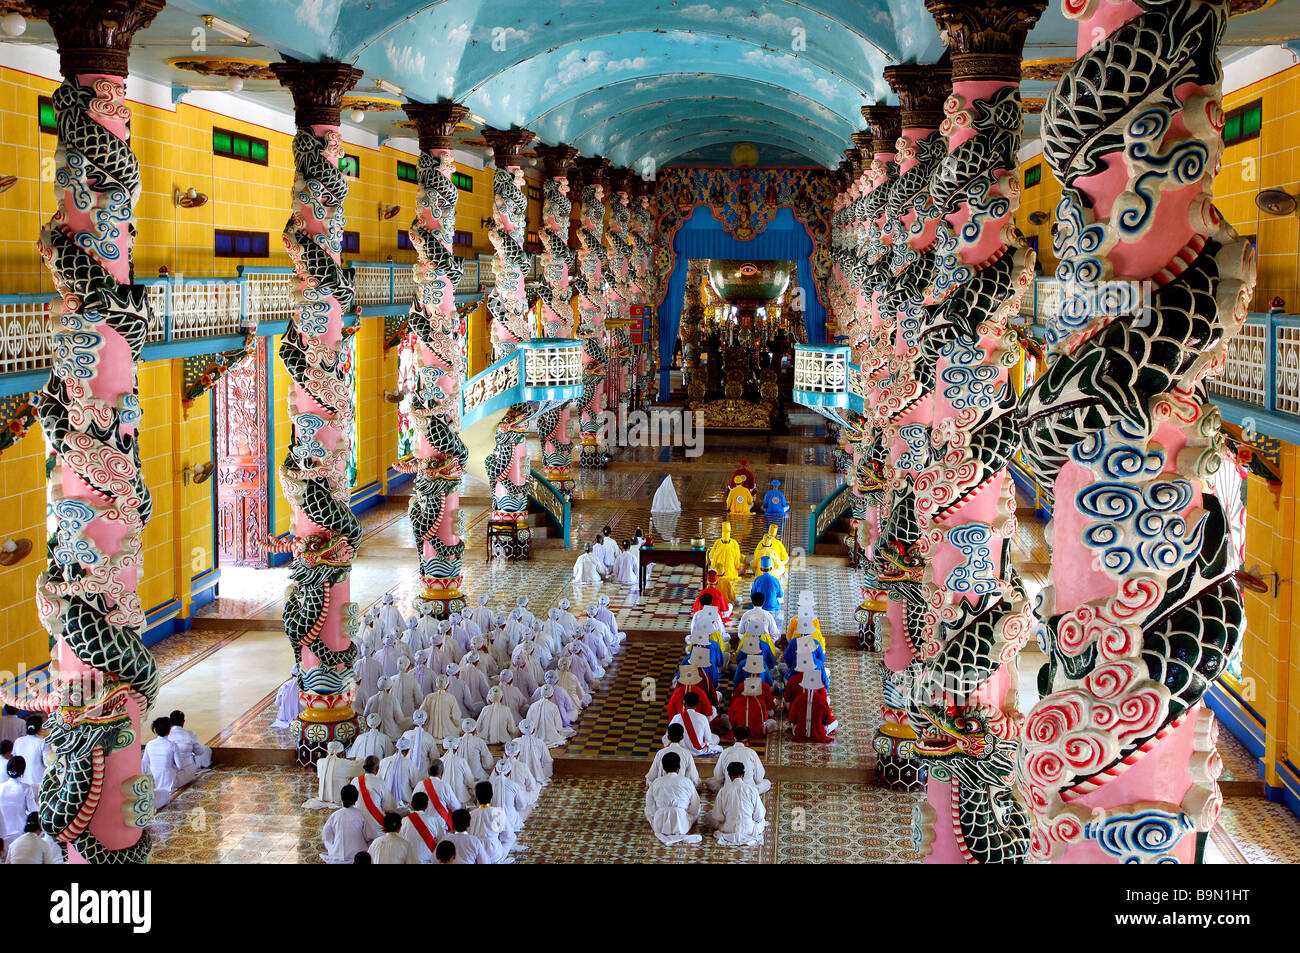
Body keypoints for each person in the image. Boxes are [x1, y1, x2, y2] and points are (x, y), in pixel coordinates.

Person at [644, 752, 702, 845]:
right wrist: (690, 817)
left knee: (646, 810)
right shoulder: (687, 782)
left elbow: (649, 805)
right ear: (679, 767)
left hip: (660, 824)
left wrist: (655, 817)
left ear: (663, 768)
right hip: (682, 824)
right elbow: (695, 804)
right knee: (698, 806)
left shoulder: (656, 782)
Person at [141, 716, 197, 809]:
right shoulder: (172, 745)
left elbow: (145, 763)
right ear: (169, 730)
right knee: (192, 767)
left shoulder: (150, 744)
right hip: (170, 782)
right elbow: (180, 766)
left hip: (153, 780)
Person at [707, 761, 766, 847]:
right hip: (749, 830)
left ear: (729, 776)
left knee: (709, 816)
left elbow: (718, 817)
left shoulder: (723, 791)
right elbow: (759, 815)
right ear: (743, 774)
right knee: (762, 821)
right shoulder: (752, 790)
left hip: (727, 829)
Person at [320, 784, 379, 863]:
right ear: (356, 799)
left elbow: (326, 837)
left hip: (337, 858)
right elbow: (370, 836)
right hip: (358, 859)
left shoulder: (335, 815)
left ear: (341, 798)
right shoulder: (362, 815)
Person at [707, 726, 770, 794]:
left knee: (710, 782)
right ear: (748, 739)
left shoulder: (725, 752)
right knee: (767, 783)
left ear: (734, 738)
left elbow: (718, 777)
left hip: (729, 791)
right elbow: (759, 778)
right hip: (749, 791)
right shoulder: (752, 753)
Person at [303, 740, 363, 810]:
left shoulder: (320, 762)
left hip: (322, 797)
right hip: (339, 798)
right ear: (341, 753)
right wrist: (354, 759)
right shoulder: (343, 763)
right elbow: (361, 766)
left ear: (327, 751)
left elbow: (319, 777)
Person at [468, 781, 514, 863]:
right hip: (494, 853)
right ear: (492, 795)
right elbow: (508, 835)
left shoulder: (471, 814)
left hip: (476, 854)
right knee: (512, 838)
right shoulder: (498, 812)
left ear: (477, 797)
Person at [646, 723, 701, 788]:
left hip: (661, 789)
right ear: (682, 737)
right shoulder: (687, 753)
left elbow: (651, 777)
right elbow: (694, 779)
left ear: (668, 737)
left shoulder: (660, 753)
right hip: (681, 790)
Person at [399, 791, 445, 863]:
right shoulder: (433, 821)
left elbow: (400, 842)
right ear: (427, 805)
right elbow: (442, 841)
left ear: (412, 804)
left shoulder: (403, 821)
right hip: (429, 861)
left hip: (409, 861)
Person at [354, 756, 398, 827]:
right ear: (377, 769)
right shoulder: (380, 783)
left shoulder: (355, 780)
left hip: (357, 823)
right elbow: (390, 807)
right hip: (376, 825)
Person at [0, 757, 35, 845]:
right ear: (23, 770)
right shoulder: (26, 788)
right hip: (20, 834)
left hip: (2, 835)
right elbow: (33, 812)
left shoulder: (0, 787)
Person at [418, 674, 464, 739]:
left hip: (429, 733)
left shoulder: (429, 697)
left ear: (436, 685)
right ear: (448, 686)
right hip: (448, 733)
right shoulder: (451, 698)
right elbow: (456, 718)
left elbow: (421, 714)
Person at [378, 737, 420, 805]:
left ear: (395, 748)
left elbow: (378, 780)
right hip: (404, 805)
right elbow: (416, 785)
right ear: (408, 751)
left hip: (384, 803)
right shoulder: (410, 764)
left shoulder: (383, 762)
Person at [418, 760, 460, 827]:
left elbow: (412, 805)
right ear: (442, 772)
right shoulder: (445, 786)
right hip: (440, 827)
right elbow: (456, 808)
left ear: (428, 772)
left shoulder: (419, 785)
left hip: (422, 826)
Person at [708, 523, 743, 603]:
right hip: (732, 573)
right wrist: (737, 566)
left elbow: (712, 555)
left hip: (717, 569)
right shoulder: (734, 543)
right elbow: (737, 558)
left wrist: (713, 565)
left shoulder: (717, 542)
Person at [12, 717, 47, 790]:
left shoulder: (18, 741)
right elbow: (47, 762)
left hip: (22, 781)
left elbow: (14, 760)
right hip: (38, 782)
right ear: (40, 728)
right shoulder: (42, 742)